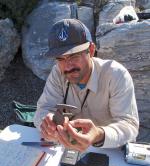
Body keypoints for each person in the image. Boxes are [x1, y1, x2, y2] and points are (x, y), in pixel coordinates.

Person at [33, 18, 139, 152]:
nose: (68, 66)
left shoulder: (116, 75)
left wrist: (98, 135)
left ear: (92, 49)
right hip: (67, 151)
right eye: (60, 58)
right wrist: (48, 124)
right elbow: (42, 110)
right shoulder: (58, 73)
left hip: (110, 153)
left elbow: (129, 126)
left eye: (74, 56)